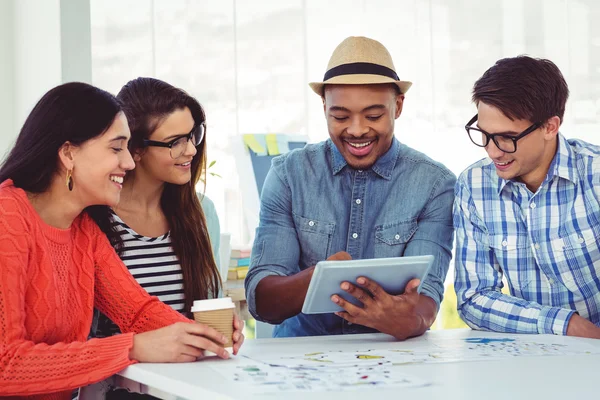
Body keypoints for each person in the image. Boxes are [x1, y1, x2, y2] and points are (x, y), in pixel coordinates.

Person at [0, 82, 233, 400]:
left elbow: (137, 311)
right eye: (116, 148)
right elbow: (5, 365)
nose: (130, 162)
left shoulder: (83, 229)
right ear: (69, 153)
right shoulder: (7, 218)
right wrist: (132, 346)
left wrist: (204, 336)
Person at [245, 36, 456, 339]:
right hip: (300, 357)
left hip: (394, 359)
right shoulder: (288, 175)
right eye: (340, 116)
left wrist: (408, 319)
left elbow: (427, 302)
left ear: (397, 106)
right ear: (324, 107)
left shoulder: (434, 185)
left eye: (373, 116)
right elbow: (262, 303)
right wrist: (321, 276)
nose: (356, 130)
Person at [87, 78, 244, 398]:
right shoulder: (95, 219)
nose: (191, 149)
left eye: (193, 135)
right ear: (137, 150)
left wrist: (222, 327)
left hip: (188, 386)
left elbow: (207, 301)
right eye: (175, 141)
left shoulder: (201, 212)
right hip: (114, 387)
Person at [454, 55, 600, 338]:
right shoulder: (474, 185)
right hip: (528, 360)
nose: (493, 151)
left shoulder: (595, 175)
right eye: (484, 134)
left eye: (507, 137)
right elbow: (473, 298)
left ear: (550, 127)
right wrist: (565, 324)